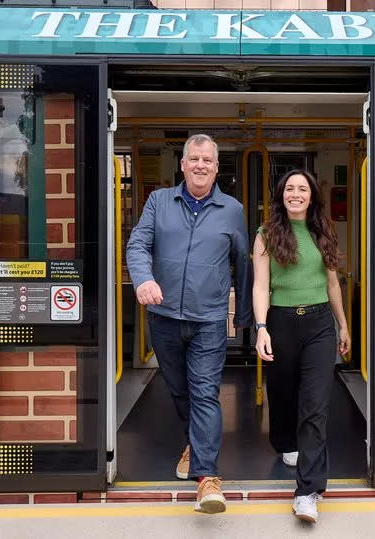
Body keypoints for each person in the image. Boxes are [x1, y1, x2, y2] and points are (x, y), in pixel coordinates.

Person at [126, 133, 252, 514]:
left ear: (216, 168)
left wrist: (245, 316)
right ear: (182, 164)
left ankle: (207, 479)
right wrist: (143, 278)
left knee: (204, 392)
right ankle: (194, 442)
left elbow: (242, 262)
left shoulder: (233, 209)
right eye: (194, 159)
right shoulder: (159, 201)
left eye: (208, 161)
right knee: (179, 392)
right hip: (163, 318)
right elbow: (138, 244)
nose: (200, 165)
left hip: (210, 320)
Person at [252, 169, 350, 524]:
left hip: (320, 324)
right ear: (281, 195)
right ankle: (284, 442)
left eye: (302, 188)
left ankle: (308, 492)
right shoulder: (266, 234)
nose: (296, 193)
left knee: (314, 405)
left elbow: (333, 284)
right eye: (290, 188)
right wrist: (261, 327)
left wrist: (343, 325)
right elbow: (261, 286)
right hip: (280, 321)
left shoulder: (322, 231)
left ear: (312, 195)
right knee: (282, 391)